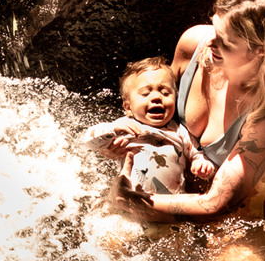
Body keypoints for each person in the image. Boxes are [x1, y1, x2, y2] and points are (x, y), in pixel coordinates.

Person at [117, 0, 265, 261]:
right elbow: (152, 111)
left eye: (225, 42)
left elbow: (216, 203)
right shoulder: (193, 44)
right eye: (214, 28)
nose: (210, 43)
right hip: (185, 163)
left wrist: (136, 202)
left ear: (259, 52)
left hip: (254, 187)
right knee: (114, 244)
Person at [82, 56, 217, 194]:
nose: (156, 97)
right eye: (145, 93)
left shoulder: (179, 131)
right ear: (128, 107)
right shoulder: (125, 126)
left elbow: (198, 155)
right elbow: (89, 141)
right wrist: (112, 129)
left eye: (165, 93)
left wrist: (202, 166)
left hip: (169, 205)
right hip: (130, 201)